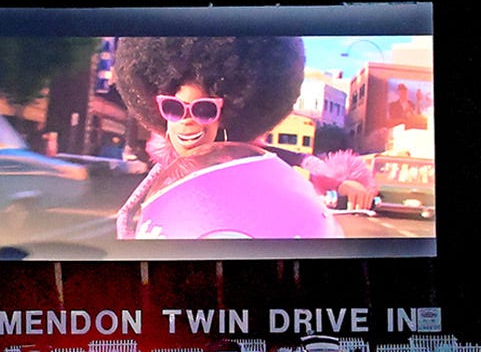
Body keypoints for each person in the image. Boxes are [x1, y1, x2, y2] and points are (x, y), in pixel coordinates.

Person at [110, 36, 341, 240]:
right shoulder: (164, 171)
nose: (187, 120)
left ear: (226, 113)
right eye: (173, 108)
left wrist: (338, 181)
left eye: (204, 110)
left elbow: (294, 159)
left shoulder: (243, 164)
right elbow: (125, 214)